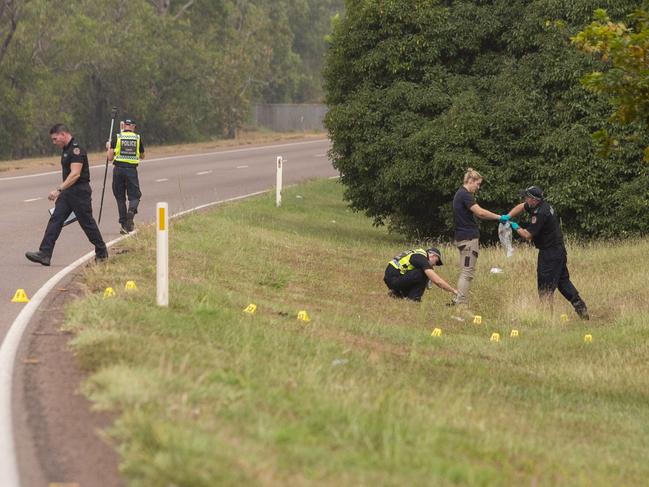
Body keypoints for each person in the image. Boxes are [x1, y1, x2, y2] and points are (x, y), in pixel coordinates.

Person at [26, 124, 108, 266]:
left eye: (55, 138)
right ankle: (45, 254)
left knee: (87, 223)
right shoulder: (66, 149)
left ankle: (102, 252)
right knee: (55, 220)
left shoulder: (76, 149)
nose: (54, 142)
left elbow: (75, 174)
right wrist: (63, 191)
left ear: (63, 134)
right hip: (68, 192)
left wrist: (58, 190)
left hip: (79, 192)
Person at [507, 186, 589, 319]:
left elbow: (527, 235)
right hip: (558, 251)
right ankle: (581, 308)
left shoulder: (540, 213)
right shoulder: (538, 204)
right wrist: (508, 215)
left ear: (534, 199)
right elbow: (522, 206)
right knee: (563, 282)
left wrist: (514, 225)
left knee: (545, 286)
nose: (525, 199)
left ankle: (546, 317)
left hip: (550, 253)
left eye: (527, 197)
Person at [452, 168, 510, 306]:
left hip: (462, 237)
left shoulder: (460, 194)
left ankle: (459, 302)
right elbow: (480, 213)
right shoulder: (465, 194)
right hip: (468, 239)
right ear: (470, 181)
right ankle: (461, 305)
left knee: (465, 272)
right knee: (467, 273)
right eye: (477, 184)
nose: (478, 188)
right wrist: (499, 217)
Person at [107, 118, 144, 234]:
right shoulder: (137, 138)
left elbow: (109, 157)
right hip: (131, 170)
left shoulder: (117, 137)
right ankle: (131, 212)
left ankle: (124, 225)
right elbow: (142, 156)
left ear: (124, 126)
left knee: (120, 198)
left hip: (118, 170)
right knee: (135, 196)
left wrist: (108, 147)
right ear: (133, 126)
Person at [384, 247, 458, 302]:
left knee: (421, 273)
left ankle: (397, 294)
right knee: (423, 273)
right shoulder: (421, 258)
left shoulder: (417, 254)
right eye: (436, 261)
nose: (434, 264)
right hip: (394, 280)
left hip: (392, 278)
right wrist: (453, 291)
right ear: (433, 256)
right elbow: (437, 281)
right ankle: (413, 299)